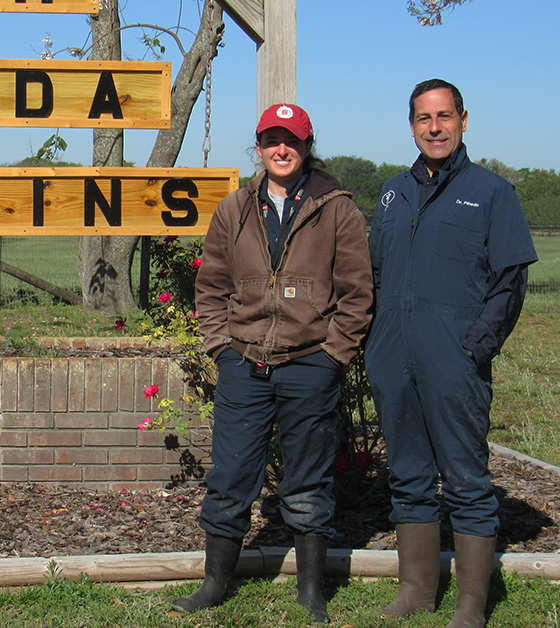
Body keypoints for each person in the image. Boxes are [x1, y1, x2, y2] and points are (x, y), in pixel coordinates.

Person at [176, 103, 373, 622]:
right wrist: (219, 345)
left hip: (311, 362)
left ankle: (311, 591)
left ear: (308, 146)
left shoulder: (338, 209)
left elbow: (357, 293)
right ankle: (216, 582)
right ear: (259, 147)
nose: (281, 149)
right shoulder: (234, 208)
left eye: (292, 140)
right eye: (271, 140)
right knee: (232, 473)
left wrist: (334, 356)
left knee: (308, 477)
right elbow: (211, 285)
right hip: (244, 362)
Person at [366, 79, 537, 628]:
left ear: (464, 119)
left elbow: (509, 281)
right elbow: (371, 274)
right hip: (394, 356)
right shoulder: (393, 193)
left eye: (444, 116)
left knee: (465, 479)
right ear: (411, 125)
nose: (434, 127)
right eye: (423, 118)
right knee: (409, 475)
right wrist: (373, 343)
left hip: (454, 359)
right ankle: (416, 591)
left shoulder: (492, 192)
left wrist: (475, 347)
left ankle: (470, 604)